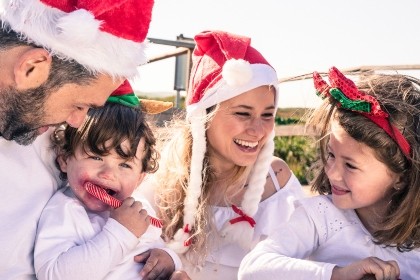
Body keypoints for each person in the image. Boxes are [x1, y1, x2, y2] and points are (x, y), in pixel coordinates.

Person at [0, 1, 186, 279]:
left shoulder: (39, 124)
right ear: (32, 68)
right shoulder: (65, 196)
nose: (75, 122)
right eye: (79, 104)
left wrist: (171, 263)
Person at [137, 30, 305, 279]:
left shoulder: (275, 181)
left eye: (268, 115)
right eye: (242, 113)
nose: (258, 130)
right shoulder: (162, 178)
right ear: (203, 116)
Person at [238, 67, 420, 280]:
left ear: (401, 176)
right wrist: (337, 274)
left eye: (350, 165)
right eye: (331, 154)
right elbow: (253, 269)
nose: (332, 173)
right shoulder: (321, 216)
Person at [33, 80, 182, 279]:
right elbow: (54, 274)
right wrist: (121, 233)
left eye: (125, 165)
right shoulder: (65, 211)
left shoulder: (139, 206)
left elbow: (154, 245)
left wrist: (168, 258)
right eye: (96, 157)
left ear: (140, 179)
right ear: (65, 160)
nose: (108, 173)